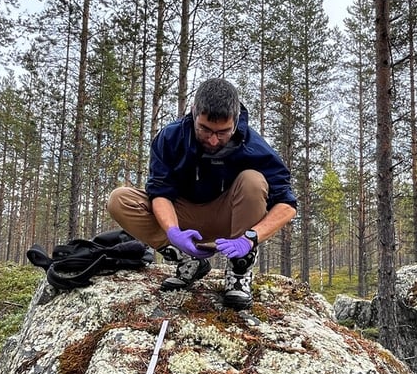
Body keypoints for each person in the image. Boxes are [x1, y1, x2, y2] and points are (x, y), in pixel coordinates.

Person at [107, 78, 297, 310]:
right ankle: (187, 259)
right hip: (183, 216)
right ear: (194, 113)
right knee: (120, 200)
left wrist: (250, 238)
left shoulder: (255, 148)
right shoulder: (170, 138)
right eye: (205, 130)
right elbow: (160, 191)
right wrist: (173, 232)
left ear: (236, 121)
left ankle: (239, 270)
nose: (213, 140)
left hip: (231, 220)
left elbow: (287, 205)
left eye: (223, 132)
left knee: (253, 181)